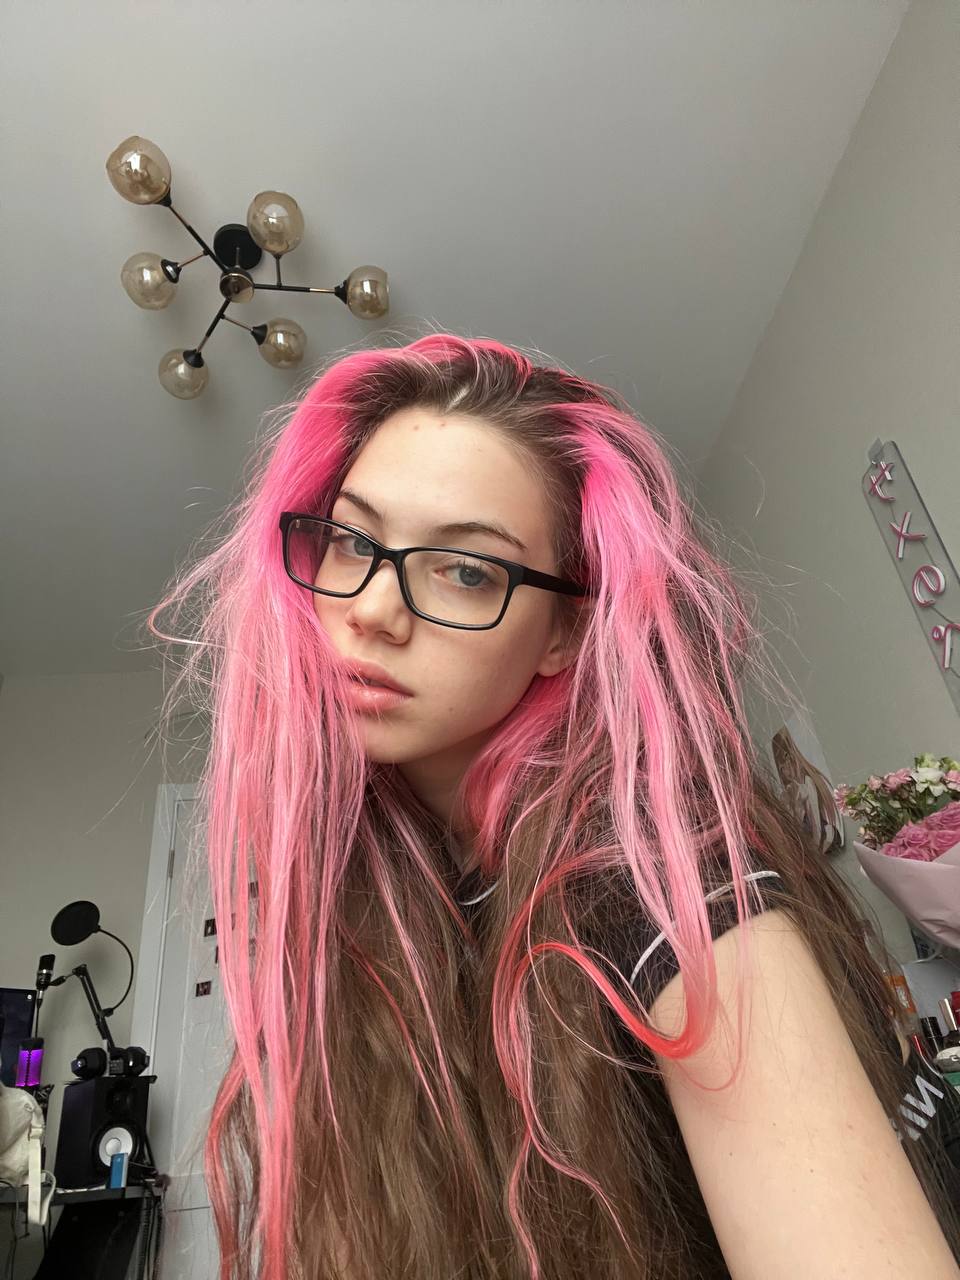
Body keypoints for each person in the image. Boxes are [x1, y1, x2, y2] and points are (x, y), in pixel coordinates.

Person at [147, 333, 960, 1280]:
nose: (370, 610)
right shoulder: (411, 890)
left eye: (466, 570)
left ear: (564, 633)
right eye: (351, 540)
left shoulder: (654, 884)